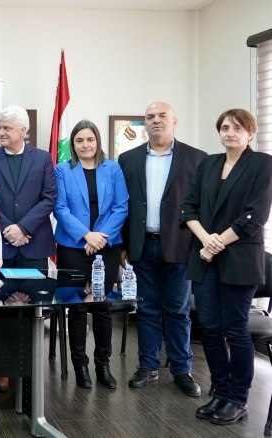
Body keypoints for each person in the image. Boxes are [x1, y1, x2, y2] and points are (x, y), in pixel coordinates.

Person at [181, 109, 272, 425]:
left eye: (237, 128)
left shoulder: (262, 163)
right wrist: (206, 240)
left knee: (235, 328)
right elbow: (188, 208)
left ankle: (237, 398)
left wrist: (216, 243)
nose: (230, 132)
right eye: (224, 128)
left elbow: (255, 215)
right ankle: (220, 391)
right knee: (208, 327)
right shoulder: (209, 163)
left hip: (240, 258)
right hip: (205, 255)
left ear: (250, 134)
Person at [118, 102, 206, 396]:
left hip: (181, 246)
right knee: (146, 309)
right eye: (150, 117)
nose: (156, 120)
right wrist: (123, 244)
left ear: (174, 121)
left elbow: (202, 207)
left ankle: (181, 369)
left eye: (162, 116)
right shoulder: (128, 159)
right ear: (144, 123)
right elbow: (123, 206)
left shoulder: (197, 158)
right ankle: (148, 365)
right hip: (141, 245)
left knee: (178, 311)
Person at [0, 104, 57, 392]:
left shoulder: (43, 158)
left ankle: (28, 370)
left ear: (23, 130)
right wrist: (10, 230)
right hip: (0, 249)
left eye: (6, 128)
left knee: (32, 312)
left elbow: (49, 198)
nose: (0, 132)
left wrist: (24, 228)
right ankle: (1, 369)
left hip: (35, 248)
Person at [53, 119, 128, 389]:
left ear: (98, 141)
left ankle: (103, 366)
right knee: (76, 307)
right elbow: (60, 209)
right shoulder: (63, 169)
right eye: (79, 140)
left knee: (102, 306)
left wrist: (99, 238)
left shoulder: (113, 168)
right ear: (73, 144)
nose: (85, 145)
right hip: (73, 247)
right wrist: (86, 235)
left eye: (90, 139)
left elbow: (121, 206)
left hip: (106, 247)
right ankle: (80, 367)